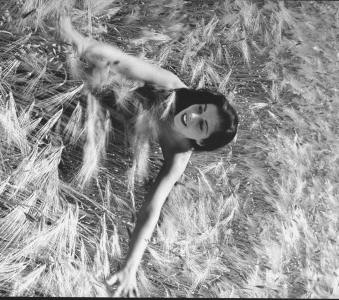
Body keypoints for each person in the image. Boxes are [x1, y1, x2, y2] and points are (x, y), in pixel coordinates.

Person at [57, 13, 238, 297]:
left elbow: (151, 209)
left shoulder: (179, 154)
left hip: (104, 127)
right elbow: (122, 61)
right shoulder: (171, 87)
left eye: (201, 125)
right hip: (102, 92)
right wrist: (78, 41)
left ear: (200, 142)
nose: (192, 115)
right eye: (201, 109)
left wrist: (130, 265)